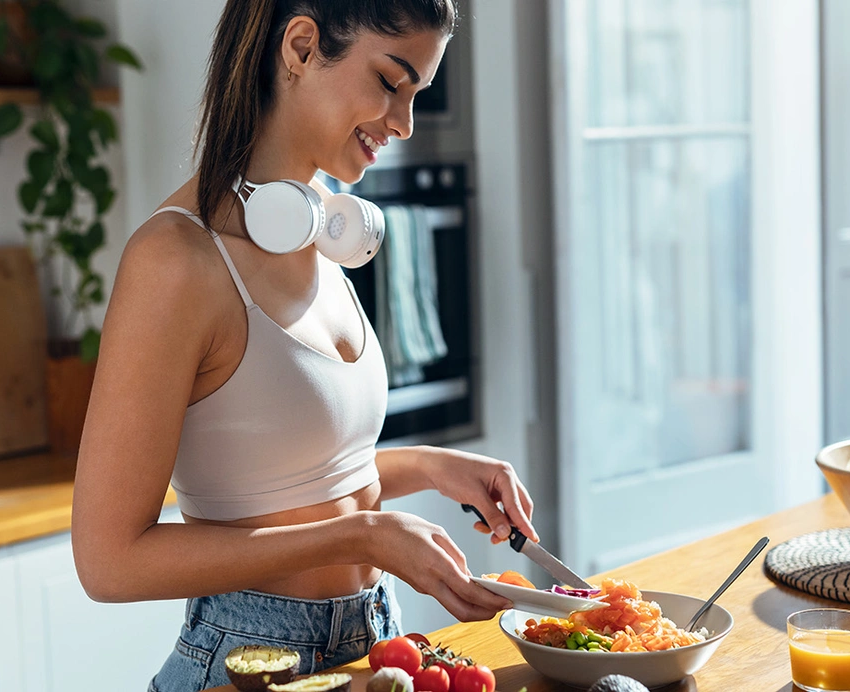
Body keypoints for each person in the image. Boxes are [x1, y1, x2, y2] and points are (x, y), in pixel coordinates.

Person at [70, 2, 541, 691]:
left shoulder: (322, 231)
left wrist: (429, 467)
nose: (403, 124)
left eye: (417, 96)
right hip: (248, 664)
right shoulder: (176, 261)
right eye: (390, 82)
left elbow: (292, 478)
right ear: (300, 46)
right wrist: (363, 536)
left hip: (378, 648)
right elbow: (108, 563)